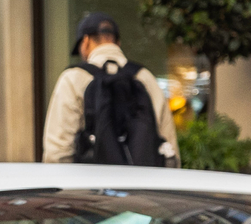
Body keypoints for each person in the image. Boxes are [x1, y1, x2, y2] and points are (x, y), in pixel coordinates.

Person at [40, 12, 178, 165]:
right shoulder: (145, 77)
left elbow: (58, 150)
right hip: (142, 185)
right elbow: (170, 147)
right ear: (117, 43)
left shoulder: (73, 78)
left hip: (91, 185)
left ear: (85, 42)